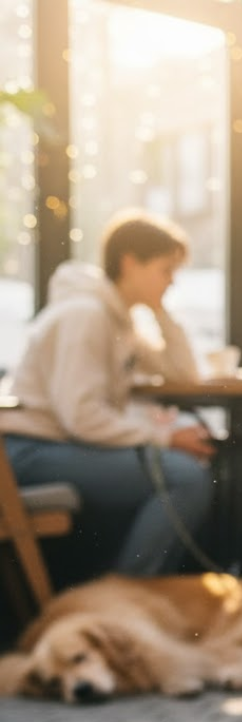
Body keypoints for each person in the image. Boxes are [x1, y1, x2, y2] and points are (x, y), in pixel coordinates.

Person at [0, 209, 215, 577]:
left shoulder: (120, 320)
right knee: (186, 477)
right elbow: (82, 416)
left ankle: (125, 590)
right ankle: (124, 595)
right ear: (130, 263)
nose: (172, 282)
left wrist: (161, 311)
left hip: (58, 446)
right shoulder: (86, 316)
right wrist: (164, 437)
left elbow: (183, 374)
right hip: (27, 453)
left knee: (186, 470)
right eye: (166, 270)